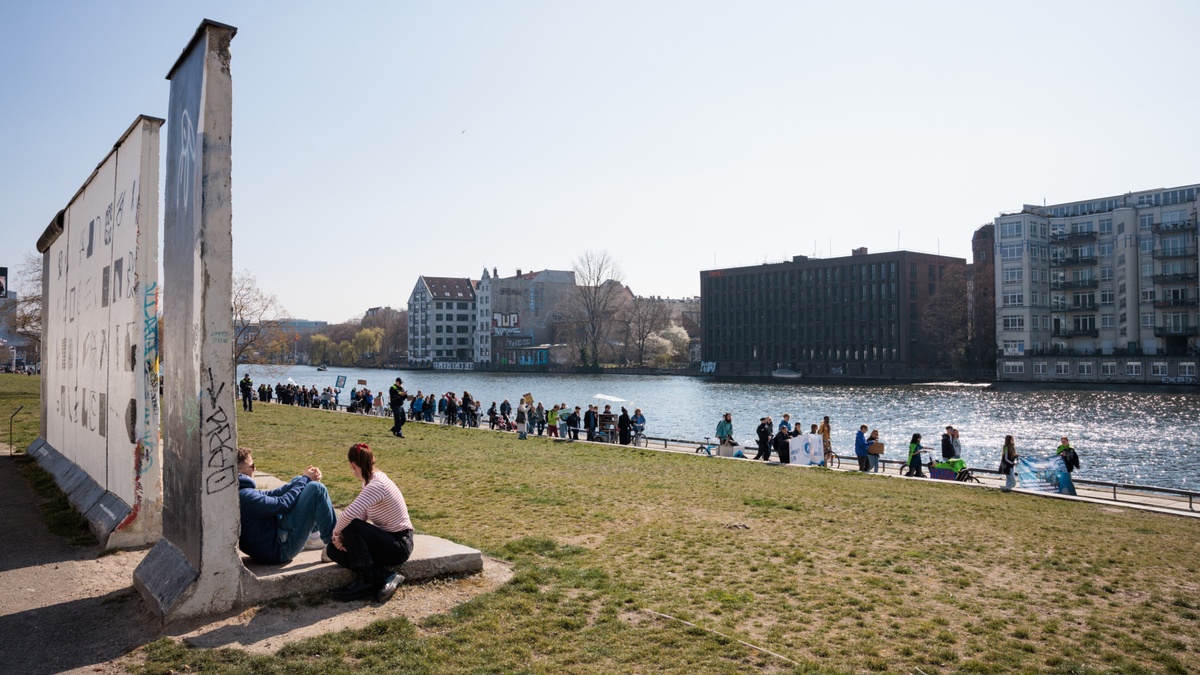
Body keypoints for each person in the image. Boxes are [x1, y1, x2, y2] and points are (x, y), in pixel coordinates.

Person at [326, 443, 414, 603]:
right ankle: (384, 575)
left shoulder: (377, 484)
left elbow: (349, 515)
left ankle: (366, 580)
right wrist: (342, 540)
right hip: (386, 541)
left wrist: (336, 533)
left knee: (350, 523)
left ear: (352, 465)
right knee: (333, 551)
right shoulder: (369, 483)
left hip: (399, 544)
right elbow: (361, 516)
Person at [236, 447, 335, 565]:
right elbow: (283, 504)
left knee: (297, 481)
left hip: (266, 548)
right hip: (280, 550)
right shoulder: (245, 496)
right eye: (252, 466)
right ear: (239, 471)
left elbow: (273, 494)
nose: (255, 469)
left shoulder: (238, 491)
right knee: (316, 489)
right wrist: (306, 479)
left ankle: (314, 538)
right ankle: (334, 548)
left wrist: (303, 480)